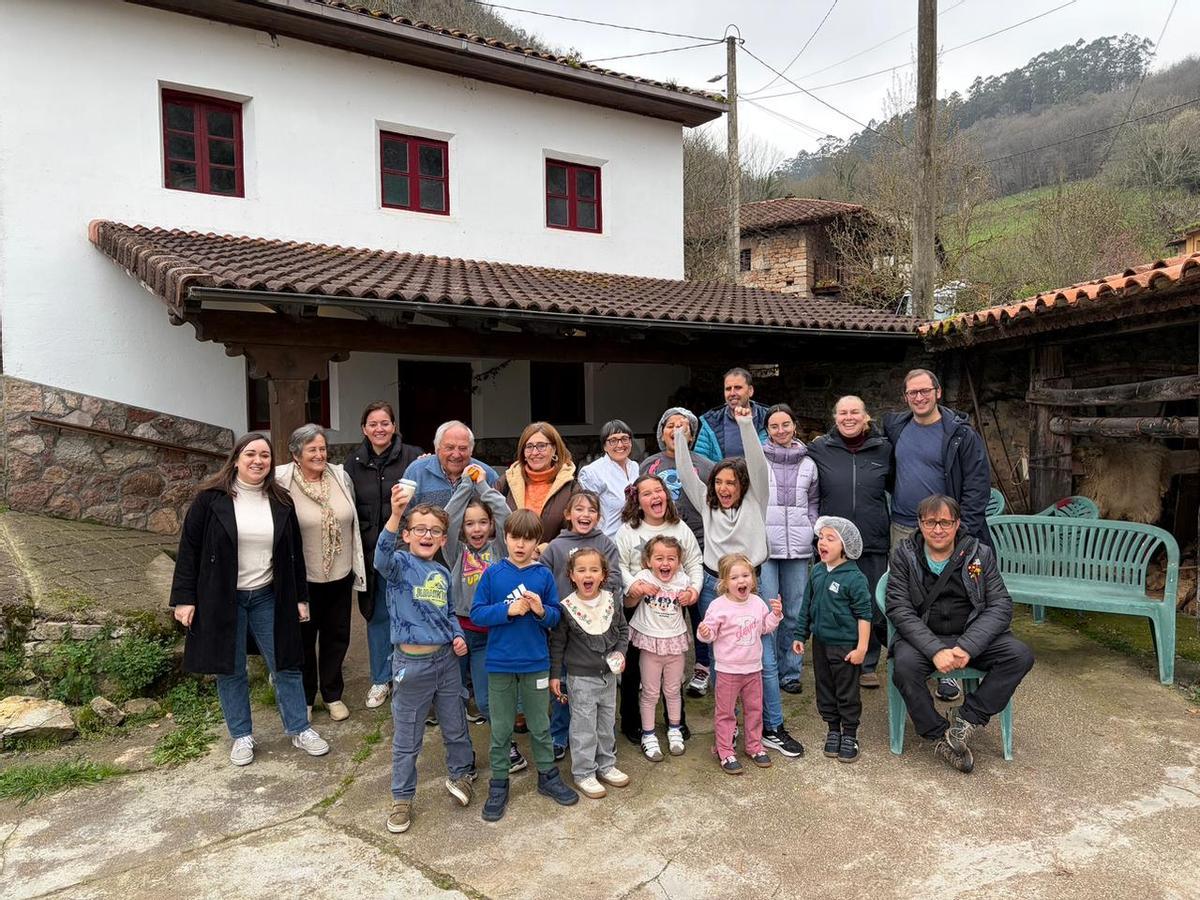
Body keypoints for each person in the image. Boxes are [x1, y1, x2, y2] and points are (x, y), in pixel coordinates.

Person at [171, 433, 330, 767]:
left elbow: (293, 555)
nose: (258, 461)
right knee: (230, 669)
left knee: (286, 662)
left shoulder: (281, 500)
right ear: (237, 458)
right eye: (251, 454)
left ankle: (299, 729)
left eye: (265, 456)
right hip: (222, 598)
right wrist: (184, 599)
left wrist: (300, 598)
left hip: (268, 596)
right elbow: (189, 551)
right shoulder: (209, 499)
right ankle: (242, 735)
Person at [675, 406, 804, 759]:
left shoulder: (756, 499)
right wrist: (680, 436)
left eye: (731, 482)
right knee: (721, 660)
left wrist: (747, 423)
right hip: (715, 586)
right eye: (719, 482)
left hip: (753, 587)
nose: (724, 487)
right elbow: (686, 473)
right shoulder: (707, 503)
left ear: (743, 485)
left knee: (763, 658)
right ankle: (727, 731)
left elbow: (757, 463)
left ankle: (773, 726)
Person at [885, 495, 1035, 774]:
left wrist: (968, 646)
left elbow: (1001, 605)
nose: (938, 529)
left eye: (945, 522)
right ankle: (939, 734)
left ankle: (966, 719)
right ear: (920, 524)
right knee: (904, 667)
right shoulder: (904, 555)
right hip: (925, 637)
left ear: (957, 524)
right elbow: (899, 608)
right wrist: (934, 649)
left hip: (970, 634)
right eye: (930, 522)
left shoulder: (980, 553)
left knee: (1019, 655)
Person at [883, 368, 993, 703]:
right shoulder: (896, 427)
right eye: (912, 392)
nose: (919, 397)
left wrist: (963, 531)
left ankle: (950, 674)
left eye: (924, 391)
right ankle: (913, 664)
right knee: (909, 598)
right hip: (903, 526)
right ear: (905, 396)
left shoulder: (960, 433)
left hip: (945, 529)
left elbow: (977, 485)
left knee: (951, 601)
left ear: (938, 392)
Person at [374, 489, 475, 834]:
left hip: (445, 662)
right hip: (410, 666)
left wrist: (458, 634)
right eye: (420, 529)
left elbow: (448, 613)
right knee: (407, 736)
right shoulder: (399, 565)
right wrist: (395, 512)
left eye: (434, 531)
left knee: (455, 723)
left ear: (443, 539)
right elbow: (380, 557)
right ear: (407, 535)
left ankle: (461, 775)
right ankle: (402, 798)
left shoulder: (443, 574)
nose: (427, 535)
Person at [471, 509, 578, 821]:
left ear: (537, 542)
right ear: (505, 538)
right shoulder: (492, 574)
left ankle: (547, 776)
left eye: (528, 539)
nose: (520, 544)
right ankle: (499, 782)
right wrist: (510, 612)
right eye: (515, 537)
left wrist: (540, 610)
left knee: (540, 725)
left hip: (536, 663)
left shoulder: (542, 575)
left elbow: (557, 617)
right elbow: (477, 615)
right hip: (500, 663)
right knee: (502, 728)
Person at [276, 424, 367, 722]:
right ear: (296, 453)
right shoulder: (280, 480)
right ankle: (304, 696)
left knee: (336, 635)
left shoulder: (339, 477)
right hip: (302, 577)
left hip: (339, 575)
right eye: (312, 449)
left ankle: (332, 693)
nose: (319, 454)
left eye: (322, 448)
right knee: (302, 637)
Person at [807, 396, 893, 689]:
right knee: (833, 603)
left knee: (868, 603)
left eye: (855, 411)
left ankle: (868, 662)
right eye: (842, 412)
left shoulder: (883, 449)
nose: (848, 417)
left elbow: (895, 484)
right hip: (833, 543)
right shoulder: (820, 448)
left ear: (866, 415)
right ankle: (836, 659)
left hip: (873, 537)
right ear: (835, 417)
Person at [344, 401, 424, 710]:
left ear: (394, 426)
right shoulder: (353, 462)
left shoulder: (414, 457)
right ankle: (381, 679)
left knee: (410, 613)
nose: (380, 429)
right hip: (371, 553)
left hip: (408, 551)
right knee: (377, 616)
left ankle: (411, 677)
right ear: (364, 429)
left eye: (385, 423)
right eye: (373, 424)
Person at [613, 475, 702, 745]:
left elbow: (695, 563)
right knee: (635, 670)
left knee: (672, 665)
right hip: (637, 606)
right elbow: (618, 567)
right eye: (647, 493)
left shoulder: (679, 528)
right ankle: (632, 722)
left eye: (659, 491)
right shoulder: (627, 531)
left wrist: (694, 590)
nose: (655, 497)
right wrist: (634, 585)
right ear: (637, 501)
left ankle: (676, 721)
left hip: (672, 606)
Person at [538, 488, 624, 760]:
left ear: (598, 516)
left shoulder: (606, 544)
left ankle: (601, 742)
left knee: (598, 690)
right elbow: (542, 579)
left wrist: (595, 602)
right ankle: (559, 735)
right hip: (564, 628)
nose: (585, 514)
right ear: (568, 514)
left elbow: (615, 579)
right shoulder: (556, 546)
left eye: (591, 510)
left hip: (595, 629)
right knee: (562, 685)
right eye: (579, 509)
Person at [640, 407, 716, 697]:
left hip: (698, 545)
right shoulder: (650, 464)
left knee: (699, 608)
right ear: (662, 433)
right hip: (658, 549)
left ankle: (702, 666)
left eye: (683, 426)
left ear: (692, 434)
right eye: (671, 425)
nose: (676, 431)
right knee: (661, 609)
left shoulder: (707, 466)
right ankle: (660, 666)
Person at [548, 548, 631, 799]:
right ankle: (584, 772)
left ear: (603, 574)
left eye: (594, 570)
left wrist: (620, 653)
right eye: (581, 570)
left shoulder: (611, 600)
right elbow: (558, 644)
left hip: (608, 676)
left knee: (606, 723)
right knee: (583, 727)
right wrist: (555, 675)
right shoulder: (567, 607)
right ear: (572, 575)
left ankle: (606, 764)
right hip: (580, 678)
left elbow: (623, 631)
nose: (588, 574)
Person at [444, 464, 513, 750]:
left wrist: (483, 485)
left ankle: (505, 746)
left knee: (485, 699)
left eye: (483, 522)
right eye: (470, 523)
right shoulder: (455, 551)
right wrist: (463, 484)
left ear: (491, 525)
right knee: (454, 696)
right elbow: (446, 519)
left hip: (488, 636)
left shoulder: (499, 550)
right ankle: (461, 751)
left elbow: (507, 517)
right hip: (458, 633)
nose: (477, 528)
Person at [792, 517, 872, 764]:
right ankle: (833, 730)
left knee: (847, 691)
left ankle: (850, 734)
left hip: (846, 647)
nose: (822, 543)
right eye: (821, 538)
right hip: (821, 644)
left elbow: (864, 615)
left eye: (830, 538)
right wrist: (800, 634)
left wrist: (862, 648)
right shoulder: (816, 571)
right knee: (824, 688)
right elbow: (807, 604)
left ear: (845, 546)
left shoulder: (855, 578)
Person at [698, 554, 783, 775]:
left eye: (746, 575)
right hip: (728, 670)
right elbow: (707, 632)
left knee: (754, 710)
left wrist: (775, 615)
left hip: (753, 668)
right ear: (724, 582)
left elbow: (764, 628)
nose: (741, 581)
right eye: (734, 577)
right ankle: (725, 750)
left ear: (753, 579)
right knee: (726, 712)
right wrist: (704, 633)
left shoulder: (757, 603)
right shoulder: (718, 606)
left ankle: (754, 745)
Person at [759, 403, 819, 696]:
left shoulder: (809, 463)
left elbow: (814, 502)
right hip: (766, 547)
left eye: (785, 424)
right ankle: (768, 669)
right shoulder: (758, 460)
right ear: (766, 430)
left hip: (799, 547)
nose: (780, 430)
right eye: (774, 426)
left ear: (794, 426)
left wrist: (811, 526)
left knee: (795, 611)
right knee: (769, 611)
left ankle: (790, 672)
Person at [627, 535, 693, 761]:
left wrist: (689, 596)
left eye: (671, 559)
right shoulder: (643, 577)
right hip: (650, 644)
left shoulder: (683, 580)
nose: (665, 563)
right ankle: (648, 734)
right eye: (659, 558)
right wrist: (638, 591)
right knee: (650, 692)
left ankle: (674, 729)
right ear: (648, 561)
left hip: (675, 643)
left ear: (678, 561)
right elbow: (628, 603)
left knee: (673, 690)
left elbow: (692, 595)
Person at [495, 422, 577, 543]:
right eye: (529, 447)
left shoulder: (571, 487)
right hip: (511, 559)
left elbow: (576, 531)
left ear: (554, 449)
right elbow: (487, 522)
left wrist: (546, 549)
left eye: (541, 446)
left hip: (552, 560)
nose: (534, 452)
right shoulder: (506, 482)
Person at [403, 420, 498, 509]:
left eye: (462, 448)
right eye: (449, 447)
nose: (456, 455)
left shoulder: (487, 475)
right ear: (437, 449)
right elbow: (401, 517)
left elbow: (500, 518)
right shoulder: (416, 472)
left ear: (471, 450)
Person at [577, 419, 640, 537]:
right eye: (613, 441)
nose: (620, 445)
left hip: (634, 539)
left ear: (631, 442)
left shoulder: (635, 467)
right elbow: (586, 512)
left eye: (624, 439)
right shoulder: (592, 472)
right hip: (607, 541)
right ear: (604, 446)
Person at [693, 367, 770, 463]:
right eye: (728, 389)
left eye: (738, 388)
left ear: (750, 391)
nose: (732, 393)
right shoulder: (711, 422)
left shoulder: (769, 419)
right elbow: (700, 461)